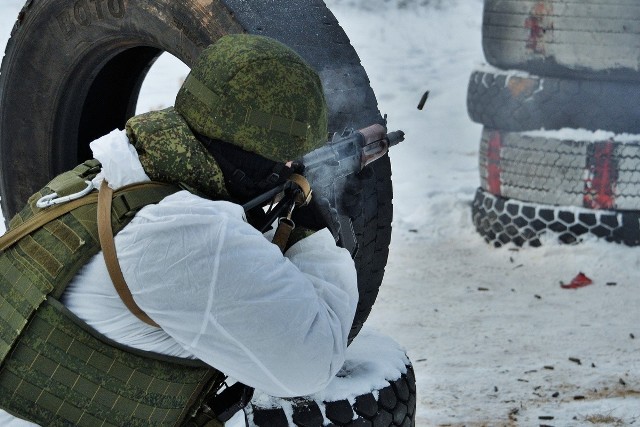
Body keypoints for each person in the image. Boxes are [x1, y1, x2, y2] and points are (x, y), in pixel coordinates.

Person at [0, 34, 358, 426]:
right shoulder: (193, 236)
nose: (290, 168)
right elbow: (314, 363)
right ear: (256, 157)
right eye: (288, 160)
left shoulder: (122, 172)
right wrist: (311, 228)